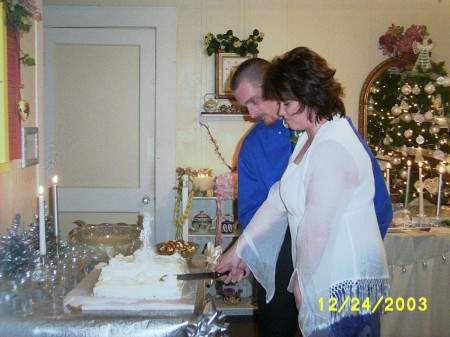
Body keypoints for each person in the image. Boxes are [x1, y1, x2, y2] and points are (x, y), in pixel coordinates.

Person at [218, 47, 390, 337]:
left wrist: (302, 284)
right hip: (318, 270)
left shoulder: (332, 144)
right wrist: (239, 251)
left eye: (286, 102)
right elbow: (277, 200)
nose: (281, 111)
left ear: (307, 95)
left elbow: (317, 228)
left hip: (341, 279)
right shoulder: (309, 140)